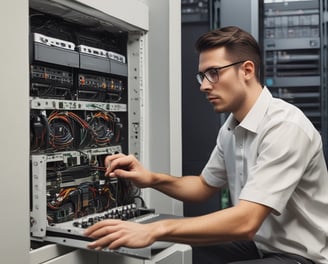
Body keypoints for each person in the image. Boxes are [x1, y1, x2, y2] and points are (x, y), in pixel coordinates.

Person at [84, 26, 328, 264]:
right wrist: (150, 178)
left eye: (214, 72)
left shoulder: (285, 126)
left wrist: (156, 229)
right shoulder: (231, 129)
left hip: (301, 256)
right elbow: (202, 186)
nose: (204, 85)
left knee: (161, 237)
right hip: (260, 245)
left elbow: (246, 221)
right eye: (202, 75)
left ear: (247, 70)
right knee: (172, 251)